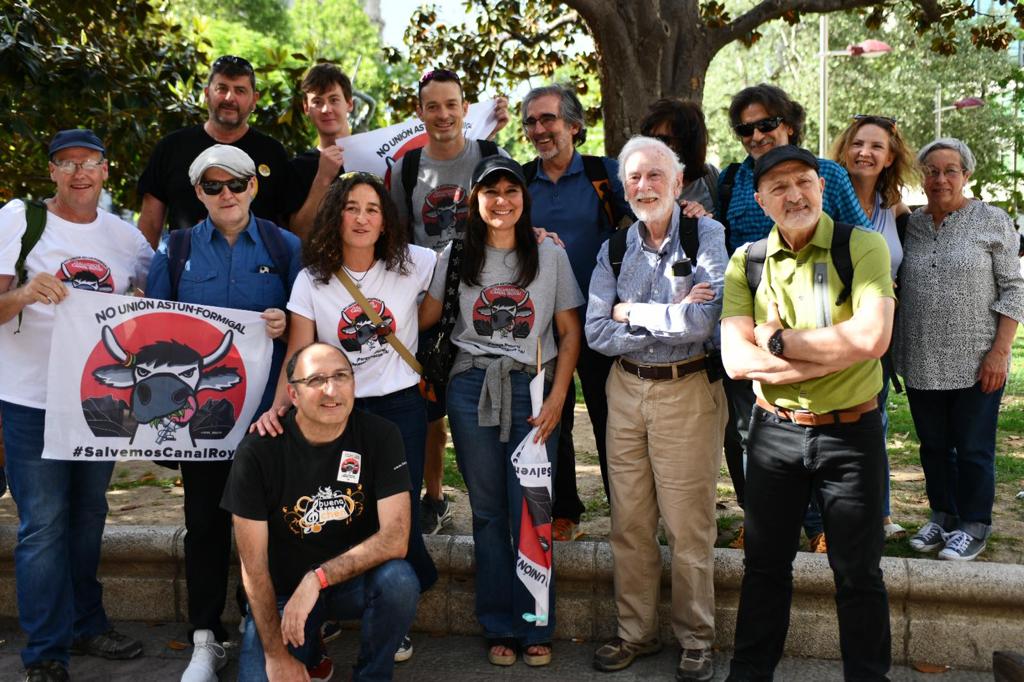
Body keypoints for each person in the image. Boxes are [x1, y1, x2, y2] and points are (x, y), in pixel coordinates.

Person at [720, 145, 895, 681]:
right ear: (760, 200)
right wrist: (826, 358)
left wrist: (779, 341)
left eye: (803, 181)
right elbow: (734, 360)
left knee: (858, 574)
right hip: (774, 436)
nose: (793, 194)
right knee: (764, 568)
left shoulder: (861, 246)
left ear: (822, 186)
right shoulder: (747, 261)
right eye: (778, 187)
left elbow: (873, 337)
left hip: (851, 435)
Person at [253, 170, 438, 664]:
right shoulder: (310, 279)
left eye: (372, 209)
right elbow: (298, 351)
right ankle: (326, 601)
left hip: (399, 406)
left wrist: (537, 236)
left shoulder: (416, 263)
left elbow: (471, 267)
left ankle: (393, 617)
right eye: (351, 208)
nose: (361, 218)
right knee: (335, 505)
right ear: (336, 218)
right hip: (334, 408)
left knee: (397, 515)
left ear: (385, 222)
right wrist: (278, 407)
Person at [0, 129, 153, 682]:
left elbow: (152, 304)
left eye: (89, 163)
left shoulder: (126, 238)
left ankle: (88, 623)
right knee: (42, 525)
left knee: (89, 517)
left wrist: (138, 306)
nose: (79, 173)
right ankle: (45, 653)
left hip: (95, 401)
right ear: (52, 173)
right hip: (30, 399)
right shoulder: (19, 220)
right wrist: (22, 293)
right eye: (67, 164)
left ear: (106, 170)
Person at [144, 144, 300, 682]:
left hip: (269, 417)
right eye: (212, 186)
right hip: (201, 423)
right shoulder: (177, 249)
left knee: (273, 527)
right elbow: (154, 327)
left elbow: (308, 329)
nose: (226, 194)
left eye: (234, 183)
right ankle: (206, 637)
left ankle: (268, 625)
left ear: (253, 186)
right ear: (198, 194)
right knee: (204, 526)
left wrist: (283, 323)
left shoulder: (285, 248)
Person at [420, 156, 583, 667]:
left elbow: (569, 332)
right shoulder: (454, 255)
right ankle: (498, 624)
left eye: (511, 190)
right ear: (475, 200)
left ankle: (535, 622)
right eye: (490, 191)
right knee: (488, 512)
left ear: (523, 198)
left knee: (531, 509)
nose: (501, 200)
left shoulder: (549, 254)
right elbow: (422, 314)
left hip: (534, 390)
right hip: (471, 388)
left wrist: (558, 396)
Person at [585, 136, 728, 681]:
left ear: (677, 181)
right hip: (625, 390)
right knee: (630, 521)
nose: (644, 186)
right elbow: (598, 332)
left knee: (688, 525)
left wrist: (631, 311)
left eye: (654, 176)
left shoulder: (704, 233)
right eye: (634, 178)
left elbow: (703, 322)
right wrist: (666, 311)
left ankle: (696, 639)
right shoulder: (614, 247)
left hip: (686, 391)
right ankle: (635, 634)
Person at [720, 84, 871, 551]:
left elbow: (859, 239)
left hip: (824, 308)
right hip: (752, 315)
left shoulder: (826, 174)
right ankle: (763, 518)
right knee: (751, 431)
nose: (757, 135)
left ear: (788, 123)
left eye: (766, 123)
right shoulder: (733, 179)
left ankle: (824, 525)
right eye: (746, 128)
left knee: (826, 423)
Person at [222, 342, 419, 682]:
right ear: (293, 394)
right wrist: (275, 655)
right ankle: (309, 652)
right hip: (284, 593)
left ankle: (372, 675)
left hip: (350, 584)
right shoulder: (257, 451)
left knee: (399, 581)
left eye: (341, 376)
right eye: (316, 380)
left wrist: (317, 578)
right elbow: (253, 569)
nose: (331, 390)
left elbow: (396, 538)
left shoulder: (381, 436)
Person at [390, 68, 512, 536]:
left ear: (465, 108)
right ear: (419, 112)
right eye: (433, 106)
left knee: (490, 397)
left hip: (487, 297)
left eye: (451, 104)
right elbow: (397, 238)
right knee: (430, 406)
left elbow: (513, 212)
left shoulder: (490, 155)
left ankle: (496, 493)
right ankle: (434, 497)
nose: (442, 114)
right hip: (430, 304)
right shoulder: (405, 169)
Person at [897, 138, 1024, 561]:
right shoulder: (911, 224)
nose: (940, 179)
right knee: (933, 446)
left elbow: (1015, 288)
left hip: (976, 359)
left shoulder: (992, 220)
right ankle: (943, 515)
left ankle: (974, 523)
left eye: (951, 170)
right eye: (931, 171)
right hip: (920, 357)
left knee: (972, 447)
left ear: (967, 175)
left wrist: (1000, 352)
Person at [520, 83, 631, 538]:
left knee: (613, 422)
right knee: (552, 418)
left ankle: (627, 514)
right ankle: (563, 510)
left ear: (573, 125)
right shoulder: (520, 179)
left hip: (602, 320)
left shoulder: (605, 174)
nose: (539, 129)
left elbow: (642, 220)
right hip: (545, 325)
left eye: (548, 119)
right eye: (531, 121)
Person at [831, 114, 916, 541]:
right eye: (858, 144)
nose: (865, 152)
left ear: (889, 157)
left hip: (876, 333)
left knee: (874, 421)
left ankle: (878, 514)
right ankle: (826, 517)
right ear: (845, 150)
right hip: (832, 329)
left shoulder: (892, 206)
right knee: (829, 423)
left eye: (876, 146)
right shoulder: (826, 195)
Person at [137, 55, 293, 247]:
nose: (230, 98)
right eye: (222, 88)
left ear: (254, 100)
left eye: (240, 90)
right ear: (206, 94)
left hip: (258, 274)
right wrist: (145, 273)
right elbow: (150, 224)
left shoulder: (273, 153)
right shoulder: (171, 148)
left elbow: (286, 227)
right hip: (185, 271)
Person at [287, 63, 354, 238]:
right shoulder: (297, 168)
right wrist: (323, 178)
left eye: (334, 100)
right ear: (306, 108)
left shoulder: (377, 155)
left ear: (349, 104)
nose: (326, 109)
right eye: (317, 101)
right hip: (318, 264)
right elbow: (298, 234)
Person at [639, 98, 720, 214]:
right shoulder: (636, 183)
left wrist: (706, 225)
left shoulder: (714, 180)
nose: (652, 146)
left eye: (661, 139)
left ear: (687, 142)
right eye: (648, 139)